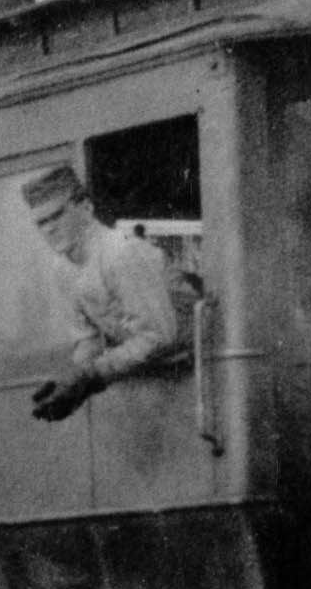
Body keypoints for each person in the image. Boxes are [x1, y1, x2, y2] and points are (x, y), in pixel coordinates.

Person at [21, 163, 188, 423]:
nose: (50, 229)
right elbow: (89, 340)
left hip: (190, 372)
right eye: (41, 223)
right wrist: (70, 378)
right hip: (155, 379)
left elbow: (159, 336)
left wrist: (91, 376)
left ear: (85, 207)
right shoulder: (63, 269)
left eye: (57, 216)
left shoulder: (120, 253)